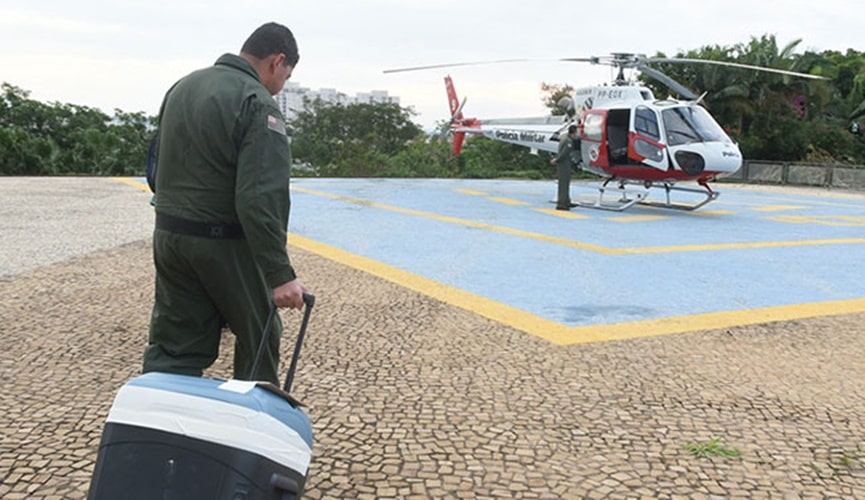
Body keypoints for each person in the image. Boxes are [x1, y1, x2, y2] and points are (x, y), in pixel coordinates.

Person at [142, 22, 307, 386]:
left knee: (175, 344)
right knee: (259, 333)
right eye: (287, 75)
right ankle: (249, 426)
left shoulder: (182, 87)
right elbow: (259, 199)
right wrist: (280, 275)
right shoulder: (257, 103)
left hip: (169, 235)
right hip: (221, 241)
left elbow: (155, 164)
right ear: (277, 62)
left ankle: (159, 426)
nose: (282, 85)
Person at [550, 124, 581, 211]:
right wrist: (556, 160)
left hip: (564, 164)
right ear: (574, 132)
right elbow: (564, 153)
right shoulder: (568, 141)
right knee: (564, 184)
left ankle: (566, 201)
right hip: (564, 164)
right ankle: (562, 204)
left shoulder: (564, 137)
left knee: (565, 183)